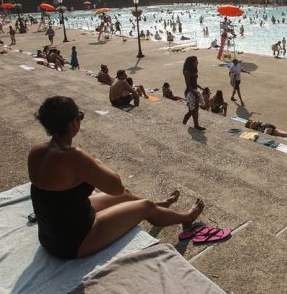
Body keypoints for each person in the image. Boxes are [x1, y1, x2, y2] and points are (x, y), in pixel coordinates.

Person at [28, 96, 204, 259]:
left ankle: (161, 207)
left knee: (126, 195)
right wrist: (96, 162)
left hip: (51, 234)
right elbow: (115, 187)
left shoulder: (36, 151)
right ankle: (186, 217)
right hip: (74, 242)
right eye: (80, 116)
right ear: (73, 122)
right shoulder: (74, 157)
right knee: (145, 206)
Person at [183, 56, 205, 130]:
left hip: (195, 91)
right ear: (192, 62)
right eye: (196, 61)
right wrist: (195, 93)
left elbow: (194, 82)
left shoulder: (194, 70)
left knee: (194, 110)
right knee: (194, 110)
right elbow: (188, 86)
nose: (197, 62)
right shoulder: (187, 72)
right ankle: (196, 125)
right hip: (190, 92)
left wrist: (200, 87)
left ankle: (189, 121)